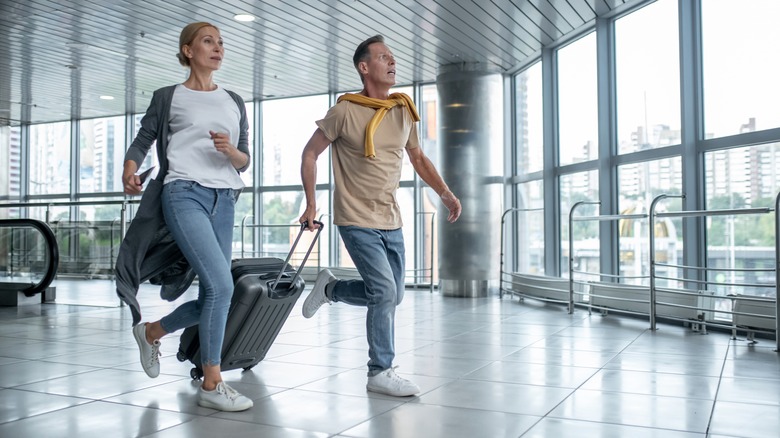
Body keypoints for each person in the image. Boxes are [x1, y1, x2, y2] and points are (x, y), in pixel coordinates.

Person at [298, 35, 462, 397]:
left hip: (391, 219)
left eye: (392, 57)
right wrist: (310, 204)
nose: (392, 62)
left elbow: (418, 159)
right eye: (384, 57)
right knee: (385, 291)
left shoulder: (403, 110)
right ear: (364, 67)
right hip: (355, 217)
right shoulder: (344, 111)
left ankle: (332, 289)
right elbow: (310, 154)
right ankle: (380, 371)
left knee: (392, 294)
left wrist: (446, 194)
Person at [120, 21, 252, 412]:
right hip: (183, 193)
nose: (217, 48)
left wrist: (231, 152)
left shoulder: (234, 100)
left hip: (224, 198)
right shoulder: (168, 97)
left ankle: (152, 332)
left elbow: (245, 160)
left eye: (221, 43)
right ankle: (212, 383)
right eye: (208, 41)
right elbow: (145, 138)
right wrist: (130, 169)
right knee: (222, 288)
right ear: (188, 50)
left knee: (217, 292)